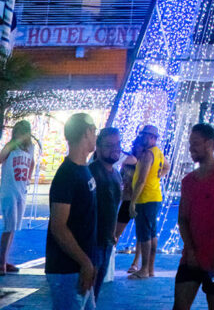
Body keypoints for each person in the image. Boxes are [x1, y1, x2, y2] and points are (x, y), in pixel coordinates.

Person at [174, 122, 214, 310]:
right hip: (191, 256)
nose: (190, 148)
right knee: (180, 306)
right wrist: (191, 251)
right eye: (190, 143)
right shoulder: (188, 181)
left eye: (195, 143)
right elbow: (183, 219)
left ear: (209, 144)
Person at [45, 112, 98, 310]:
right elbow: (58, 226)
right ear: (87, 132)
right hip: (67, 270)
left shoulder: (83, 169)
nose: (96, 137)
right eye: (94, 132)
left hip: (79, 268)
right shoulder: (68, 175)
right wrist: (85, 262)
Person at [129, 123, 170, 279]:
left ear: (152, 138)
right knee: (152, 233)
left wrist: (133, 202)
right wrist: (160, 174)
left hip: (145, 199)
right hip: (155, 197)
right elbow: (167, 166)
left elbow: (141, 180)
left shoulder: (147, 155)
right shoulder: (158, 152)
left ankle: (144, 269)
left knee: (145, 234)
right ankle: (150, 268)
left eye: (144, 135)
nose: (141, 137)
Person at [89, 127, 123, 299]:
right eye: (109, 145)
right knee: (86, 294)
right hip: (92, 243)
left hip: (106, 242)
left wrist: (113, 234)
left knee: (93, 294)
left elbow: (113, 207)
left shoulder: (116, 175)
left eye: (118, 144)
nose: (115, 149)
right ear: (99, 147)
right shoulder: (92, 172)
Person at [0, 120, 35, 275]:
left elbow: (32, 163)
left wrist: (28, 178)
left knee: (14, 227)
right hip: (9, 190)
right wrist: (11, 145)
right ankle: (1, 263)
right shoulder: (11, 146)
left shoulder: (30, 148)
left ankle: (4, 260)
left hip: (21, 190)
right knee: (9, 226)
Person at [116, 135, 144, 270]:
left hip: (140, 199)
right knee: (116, 231)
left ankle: (136, 263)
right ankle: (109, 256)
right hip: (127, 199)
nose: (139, 148)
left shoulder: (147, 160)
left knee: (141, 233)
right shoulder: (130, 160)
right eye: (138, 145)